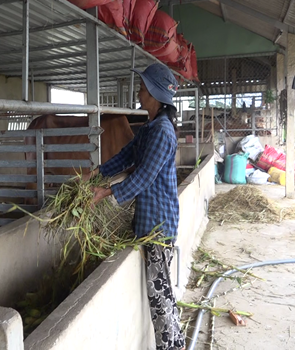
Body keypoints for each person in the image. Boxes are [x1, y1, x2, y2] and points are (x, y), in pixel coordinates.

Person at [83, 63, 185, 350]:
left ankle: (171, 346)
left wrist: (104, 193)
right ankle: (176, 344)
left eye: (143, 87)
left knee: (159, 295)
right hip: (150, 222)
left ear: (154, 93)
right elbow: (124, 156)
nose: (139, 92)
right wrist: (96, 174)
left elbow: (142, 178)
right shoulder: (149, 128)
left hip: (159, 227)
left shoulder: (162, 132)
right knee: (161, 291)